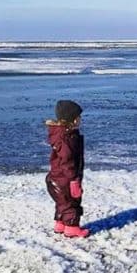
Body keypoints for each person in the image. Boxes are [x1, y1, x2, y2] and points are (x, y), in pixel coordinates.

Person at [45, 100, 89, 238]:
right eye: (79, 117)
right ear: (73, 119)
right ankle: (71, 227)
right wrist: (73, 180)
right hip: (65, 178)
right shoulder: (67, 138)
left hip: (56, 176)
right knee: (71, 202)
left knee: (62, 202)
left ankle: (60, 224)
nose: (81, 120)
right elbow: (67, 160)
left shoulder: (62, 134)